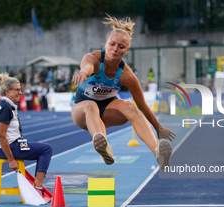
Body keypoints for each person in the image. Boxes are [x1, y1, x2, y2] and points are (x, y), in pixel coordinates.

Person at [71, 14, 176, 169]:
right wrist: (84, 73)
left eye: (121, 47)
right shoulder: (93, 58)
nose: (115, 49)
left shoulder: (127, 75)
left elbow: (142, 106)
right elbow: (87, 66)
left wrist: (158, 128)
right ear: (106, 44)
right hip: (82, 112)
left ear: (126, 50)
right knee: (90, 106)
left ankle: (157, 152)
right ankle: (103, 145)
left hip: (108, 111)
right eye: (112, 44)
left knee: (130, 106)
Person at [0, 73, 52, 202]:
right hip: (8, 147)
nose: (20, 92)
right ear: (8, 91)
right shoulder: (5, 108)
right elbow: (1, 136)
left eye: (20, 89)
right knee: (46, 149)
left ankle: (36, 186)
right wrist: (11, 160)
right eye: (17, 90)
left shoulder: (6, 105)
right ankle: (38, 189)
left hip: (13, 144)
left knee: (42, 148)